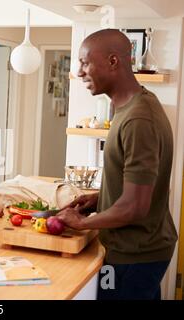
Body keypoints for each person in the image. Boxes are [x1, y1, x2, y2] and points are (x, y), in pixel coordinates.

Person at [57, 29, 178, 300]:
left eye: (85, 62)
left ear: (113, 62)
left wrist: (80, 223)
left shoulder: (138, 119)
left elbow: (136, 206)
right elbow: (141, 186)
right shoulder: (130, 106)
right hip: (132, 250)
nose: (79, 71)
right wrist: (100, 199)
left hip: (135, 256)